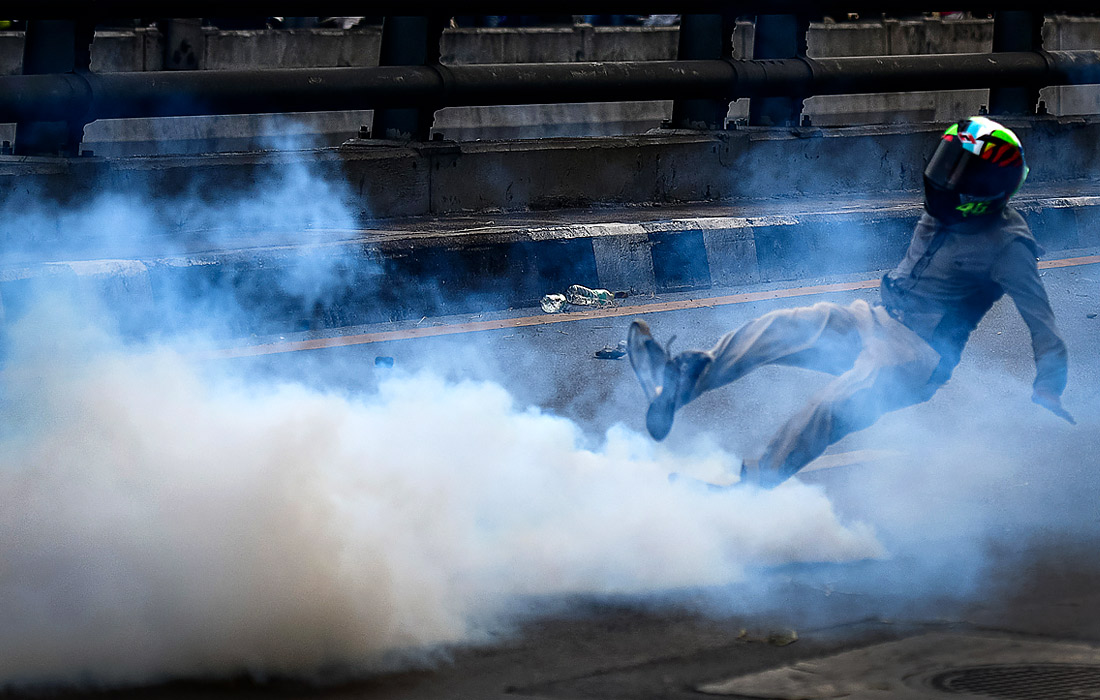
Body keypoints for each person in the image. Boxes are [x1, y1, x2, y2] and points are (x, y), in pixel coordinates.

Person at [627, 116, 1073, 488]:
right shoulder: (948, 205)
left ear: (989, 188)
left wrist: (1048, 385)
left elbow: (1043, 324)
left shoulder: (1010, 245)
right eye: (946, 164)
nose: (944, 179)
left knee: (829, 407)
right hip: (875, 319)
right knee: (783, 325)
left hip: (915, 357)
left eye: (961, 172)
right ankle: (680, 380)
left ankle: (750, 488)